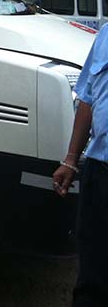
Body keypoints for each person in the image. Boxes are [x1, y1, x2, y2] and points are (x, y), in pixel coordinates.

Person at [53, 25, 108, 306]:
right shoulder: (106, 34)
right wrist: (71, 160)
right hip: (99, 170)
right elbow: (88, 98)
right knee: (92, 269)